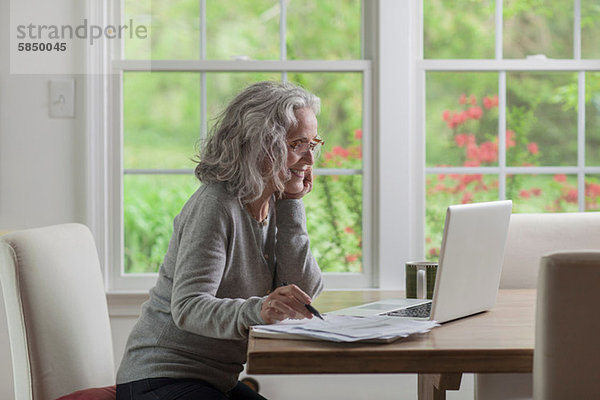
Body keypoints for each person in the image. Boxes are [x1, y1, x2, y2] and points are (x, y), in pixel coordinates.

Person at [116, 81, 324, 400]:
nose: (310, 158)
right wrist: (260, 309)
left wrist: (293, 201)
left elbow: (302, 291)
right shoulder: (216, 205)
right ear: (261, 144)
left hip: (215, 381)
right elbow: (188, 307)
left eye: (314, 143)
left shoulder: (273, 202)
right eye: (298, 144)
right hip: (159, 379)